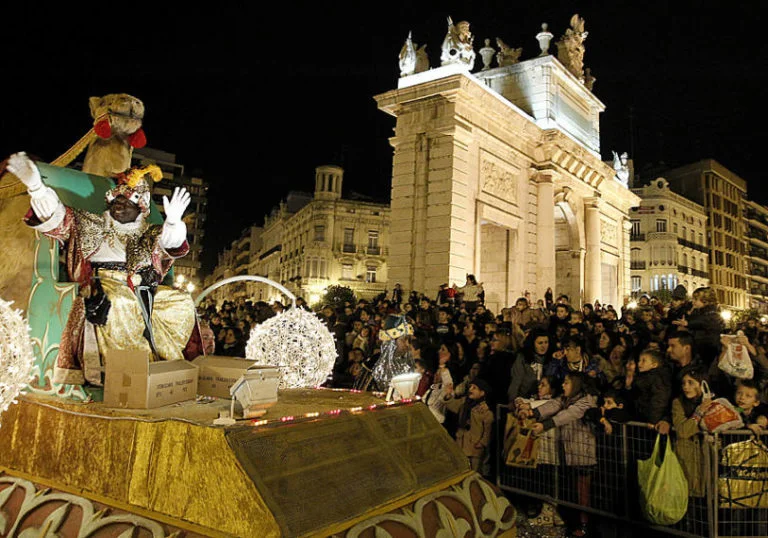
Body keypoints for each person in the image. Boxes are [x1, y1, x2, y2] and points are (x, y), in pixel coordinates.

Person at [6, 152, 195, 386]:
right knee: (120, 302)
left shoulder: (150, 233)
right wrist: (37, 188)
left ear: (141, 207)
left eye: (127, 200)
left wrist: (174, 223)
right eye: (116, 200)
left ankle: (165, 366)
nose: (119, 204)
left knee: (182, 302)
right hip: (103, 283)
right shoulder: (90, 223)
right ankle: (128, 373)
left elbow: (170, 243)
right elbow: (57, 217)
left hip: (144, 289)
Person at [519, 372, 598, 537]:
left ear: (576, 384)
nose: (563, 385)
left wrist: (545, 425)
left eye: (567, 382)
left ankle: (585, 526)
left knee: (583, 493)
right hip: (569, 453)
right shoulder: (565, 399)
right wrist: (531, 412)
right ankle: (574, 524)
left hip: (583, 454)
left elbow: (567, 415)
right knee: (572, 492)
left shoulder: (586, 401)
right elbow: (551, 406)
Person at [670, 366, 713, 498]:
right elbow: (682, 431)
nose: (686, 387)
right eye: (683, 383)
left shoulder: (714, 401)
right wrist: (698, 413)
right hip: (687, 454)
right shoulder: (678, 403)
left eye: (691, 383)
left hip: (707, 453)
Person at [444, 377, 494, 475]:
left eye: (474, 388)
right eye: (470, 387)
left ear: (482, 393)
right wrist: (448, 396)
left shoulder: (485, 410)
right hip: (461, 442)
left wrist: (482, 443)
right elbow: (453, 405)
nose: (470, 389)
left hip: (475, 445)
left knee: (475, 470)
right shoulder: (464, 402)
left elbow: (488, 430)